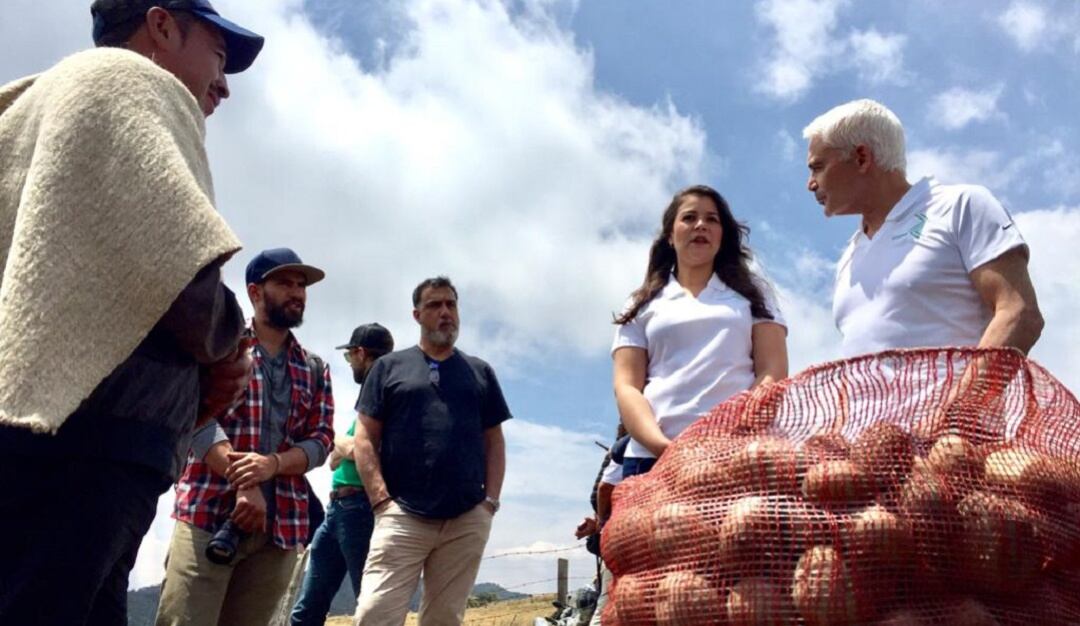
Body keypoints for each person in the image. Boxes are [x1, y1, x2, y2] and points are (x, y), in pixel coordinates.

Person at [0, 2, 262, 624]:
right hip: (91, 445)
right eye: (219, 57)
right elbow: (175, 264)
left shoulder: (31, 106)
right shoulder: (131, 79)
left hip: (50, 438)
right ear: (162, 25)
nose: (223, 83)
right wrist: (229, 345)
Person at [155, 248, 335, 626]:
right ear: (255, 292)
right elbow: (196, 416)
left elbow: (321, 440)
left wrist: (271, 465)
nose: (297, 292)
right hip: (208, 513)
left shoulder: (314, 367)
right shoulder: (219, 345)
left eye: (301, 285)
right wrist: (245, 483)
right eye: (284, 282)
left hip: (281, 527)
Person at [802, 99, 1044, 357]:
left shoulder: (960, 205)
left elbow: (1019, 312)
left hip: (960, 398)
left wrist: (964, 399)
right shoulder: (849, 255)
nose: (811, 184)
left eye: (818, 167)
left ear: (861, 158)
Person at [352, 276, 512, 626]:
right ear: (416, 315)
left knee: (444, 619)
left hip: (466, 517)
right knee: (373, 615)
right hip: (402, 514)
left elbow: (494, 441)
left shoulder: (480, 371)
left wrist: (490, 504)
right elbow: (364, 437)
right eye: (434, 305)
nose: (445, 313)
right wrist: (380, 499)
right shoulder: (389, 368)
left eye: (451, 305)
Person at [612, 185, 789, 477]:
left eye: (712, 219)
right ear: (670, 235)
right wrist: (663, 448)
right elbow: (627, 386)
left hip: (738, 454)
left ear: (723, 236)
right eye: (689, 218)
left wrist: (734, 436)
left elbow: (773, 369)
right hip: (651, 459)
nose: (700, 225)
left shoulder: (754, 294)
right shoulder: (639, 303)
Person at [290, 324, 396, 626]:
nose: (350, 364)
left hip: (361, 507)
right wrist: (346, 446)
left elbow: (369, 447)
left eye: (350, 357)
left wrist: (343, 444)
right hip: (337, 510)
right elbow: (337, 456)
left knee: (369, 603)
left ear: (361, 353)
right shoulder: (370, 398)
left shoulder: (389, 393)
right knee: (308, 607)